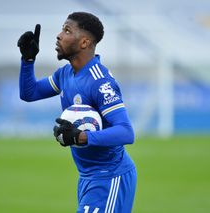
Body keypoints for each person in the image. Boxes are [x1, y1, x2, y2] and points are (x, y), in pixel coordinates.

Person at [18, 12, 137, 213]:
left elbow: (126, 132)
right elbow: (30, 93)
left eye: (66, 30)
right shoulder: (65, 74)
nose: (58, 35)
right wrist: (27, 60)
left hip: (109, 177)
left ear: (84, 42)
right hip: (87, 176)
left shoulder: (101, 82)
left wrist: (81, 137)